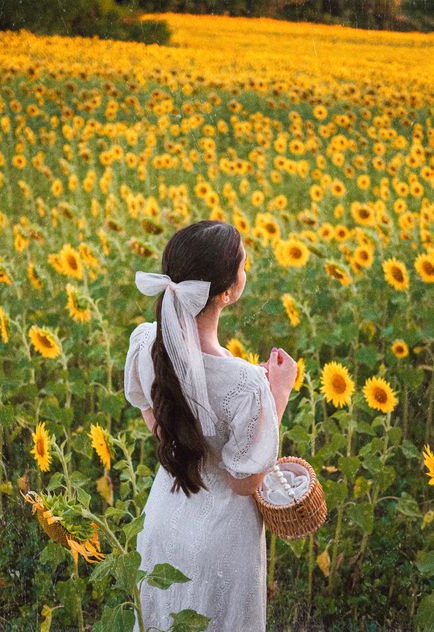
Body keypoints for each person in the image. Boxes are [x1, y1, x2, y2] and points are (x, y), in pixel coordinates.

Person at [124, 220, 298, 631]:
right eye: (242, 265)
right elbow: (246, 481)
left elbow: (160, 424)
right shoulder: (246, 382)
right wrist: (278, 394)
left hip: (164, 522)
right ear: (226, 292)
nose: (246, 270)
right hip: (223, 539)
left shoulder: (147, 343)